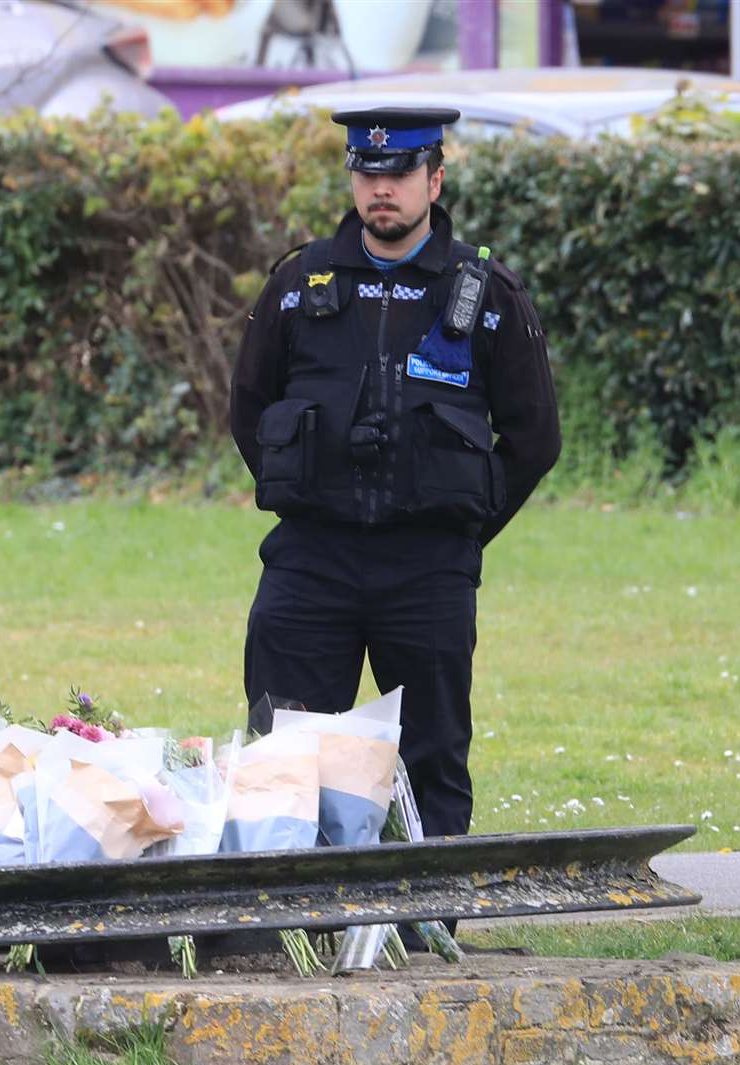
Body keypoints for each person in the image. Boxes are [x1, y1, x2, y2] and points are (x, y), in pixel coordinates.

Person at [230, 106, 561, 849]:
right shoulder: (297, 285)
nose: (383, 188)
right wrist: (313, 492)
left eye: (401, 172)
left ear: (434, 180)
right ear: (352, 178)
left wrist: (462, 522)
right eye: (368, 171)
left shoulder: (485, 296)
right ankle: (271, 934)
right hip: (311, 560)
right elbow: (249, 410)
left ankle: (426, 930)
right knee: (282, 750)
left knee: (432, 760)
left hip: (427, 568)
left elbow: (535, 436)